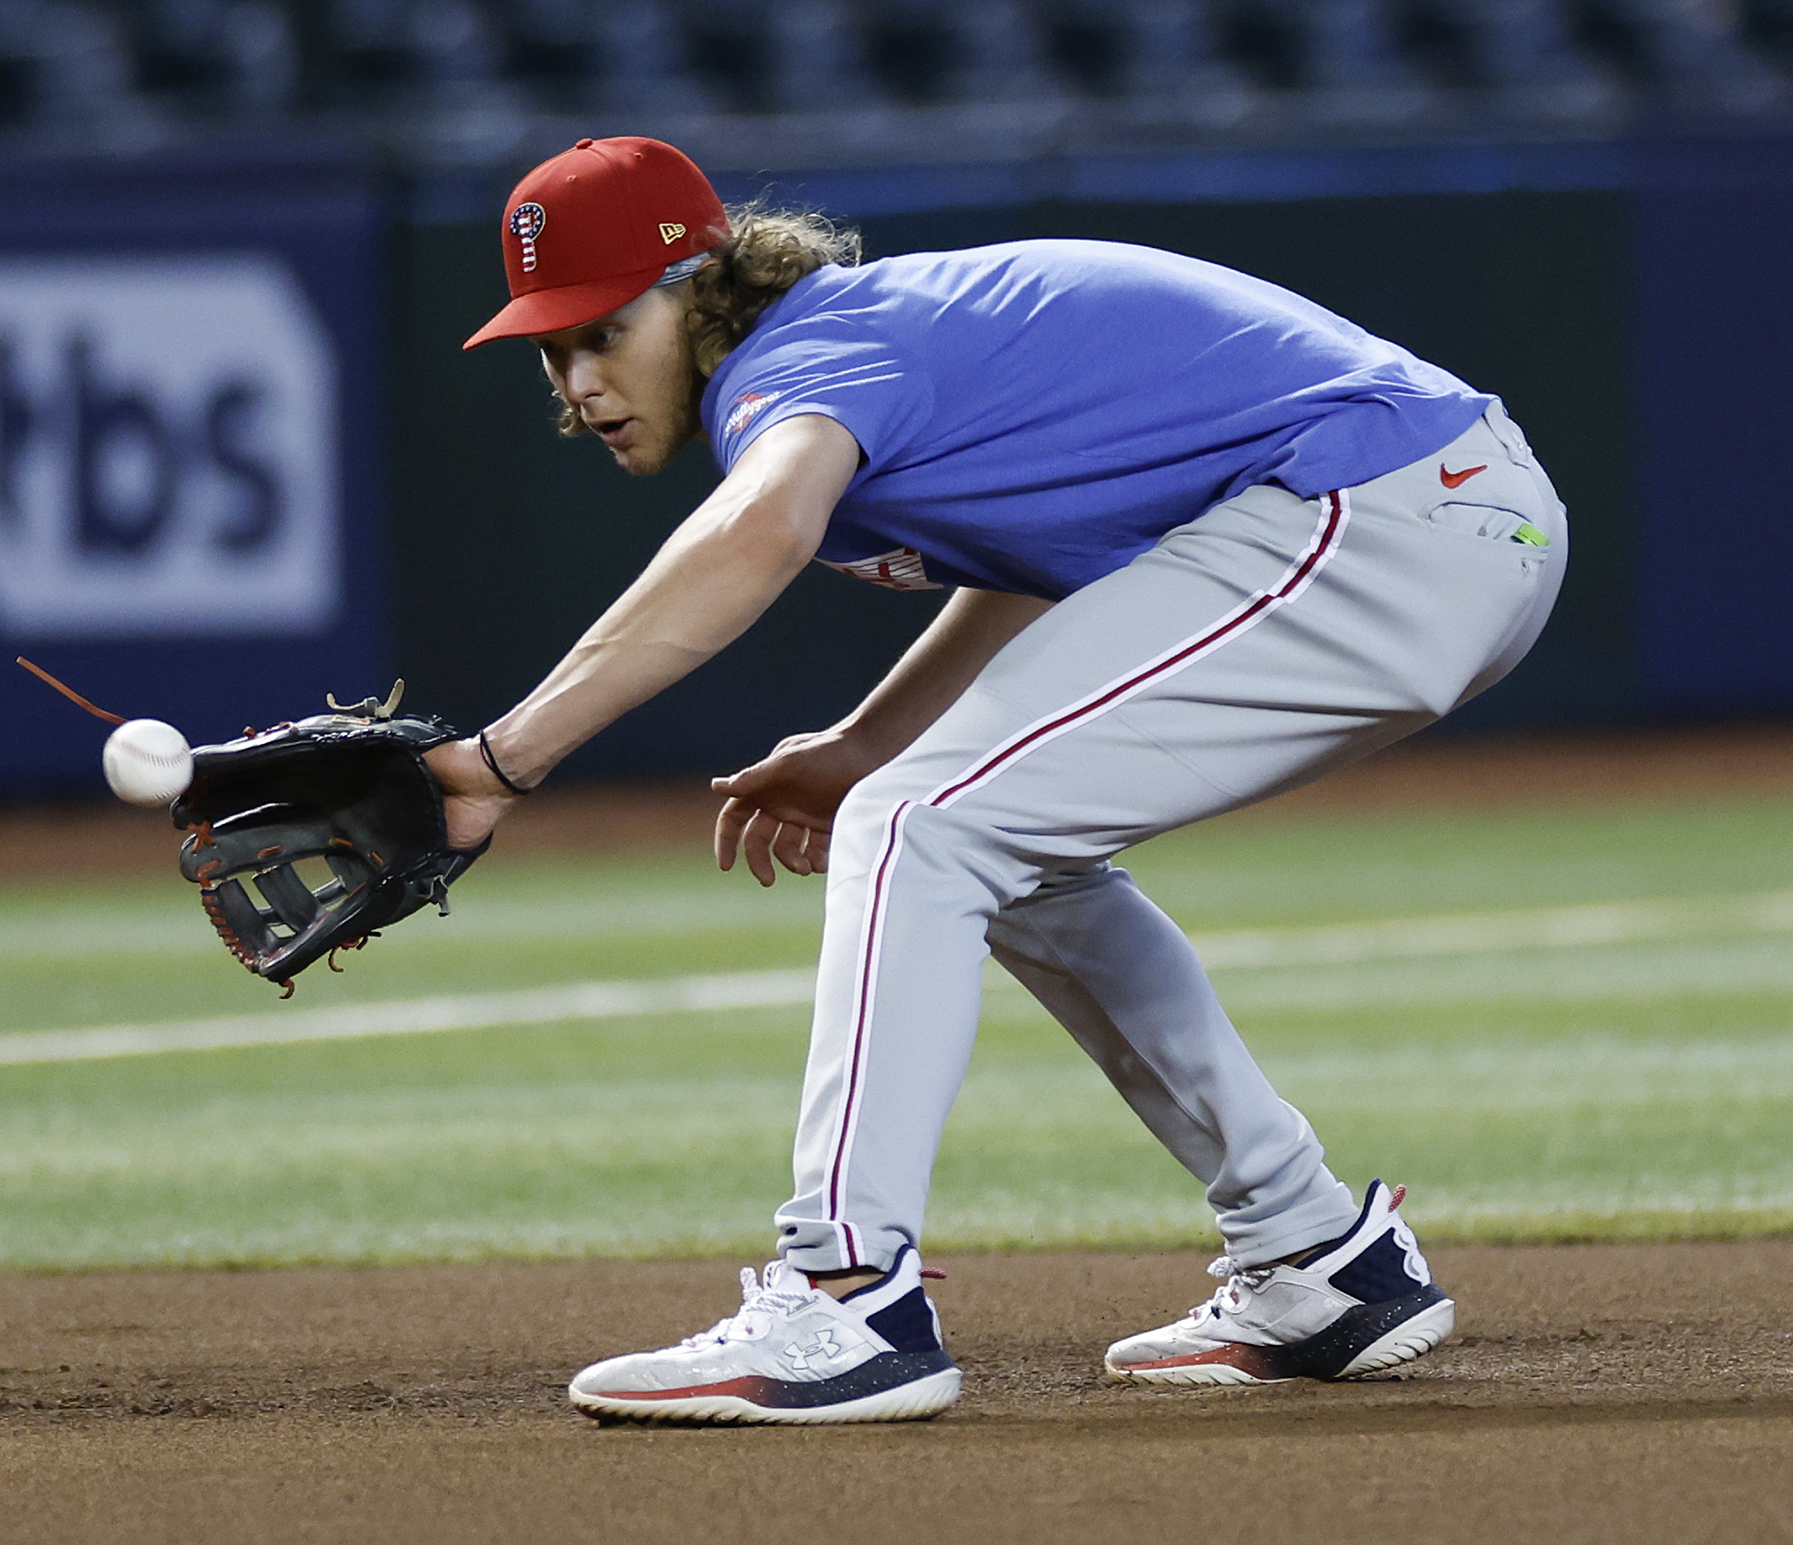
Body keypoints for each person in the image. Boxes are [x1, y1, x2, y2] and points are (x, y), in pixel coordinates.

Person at [419, 136, 1567, 1424]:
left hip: (1389, 508)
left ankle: (847, 1294)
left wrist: (501, 758)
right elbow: (1025, 557)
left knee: (917, 826)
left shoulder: (789, 362)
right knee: (983, 831)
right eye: (550, 348)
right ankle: (1317, 1256)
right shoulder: (861, 338)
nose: (578, 380)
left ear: (698, 287)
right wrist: (867, 737)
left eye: (602, 330)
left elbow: (758, 532)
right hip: (1419, 511)